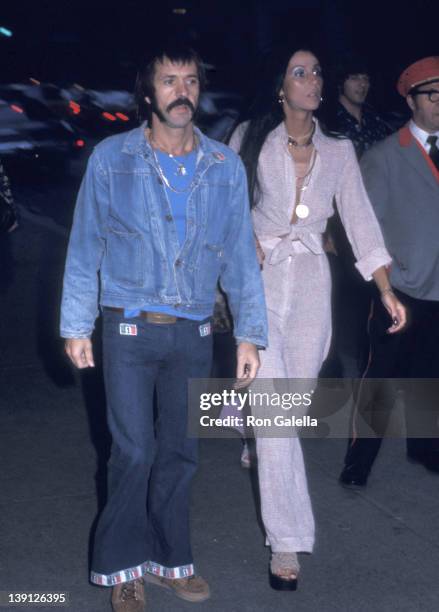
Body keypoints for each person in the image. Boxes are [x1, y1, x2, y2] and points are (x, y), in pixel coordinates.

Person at [60, 44, 267, 612]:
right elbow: (85, 247)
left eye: (192, 81)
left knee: (181, 451)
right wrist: (76, 324)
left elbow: (241, 260)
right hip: (127, 326)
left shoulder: (224, 166)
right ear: (148, 93)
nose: (183, 91)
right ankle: (122, 568)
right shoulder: (112, 158)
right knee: (133, 451)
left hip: (194, 330)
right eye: (170, 81)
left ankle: (171, 561)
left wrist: (249, 332)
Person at [229, 46, 406, 591]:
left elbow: (359, 219)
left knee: (291, 400)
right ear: (280, 86)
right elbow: (227, 202)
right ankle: (287, 543)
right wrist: (242, 246)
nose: (311, 80)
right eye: (298, 72)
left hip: (309, 283)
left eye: (316, 72)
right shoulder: (248, 137)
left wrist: (385, 288)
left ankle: (250, 422)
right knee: (279, 421)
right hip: (258, 281)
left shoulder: (338, 150)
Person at [339, 56, 439, 488]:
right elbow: (360, 224)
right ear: (411, 100)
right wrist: (386, 273)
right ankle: (358, 461)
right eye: (433, 95)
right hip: (399, 289)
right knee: (381, 377)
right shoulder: (384, 156)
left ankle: (425, 448)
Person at [320, 59, 393, 380]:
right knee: (333, 301)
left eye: (366, 77)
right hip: (333, 226)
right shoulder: (326, 122)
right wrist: (326, 232)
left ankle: (363, 363)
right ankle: (329, 364)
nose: (362, 84)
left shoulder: (378, 123)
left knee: (366, 301)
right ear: (340, 82)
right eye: (354, 77)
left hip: (372, 224)